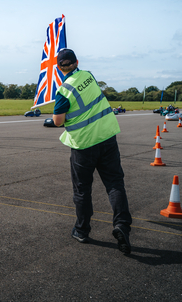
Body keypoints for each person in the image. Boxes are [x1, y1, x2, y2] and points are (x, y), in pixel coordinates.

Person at [52, 48, 132, 254]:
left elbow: (58, 121)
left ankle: (82, 230)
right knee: (115, 184)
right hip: (107, 137)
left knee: (82, 189)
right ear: (77, 62)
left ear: (58, 68)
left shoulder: (63, 91)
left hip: (84, 145)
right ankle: (122, 225)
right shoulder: (88, 75)